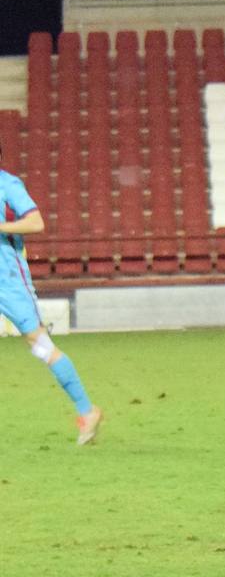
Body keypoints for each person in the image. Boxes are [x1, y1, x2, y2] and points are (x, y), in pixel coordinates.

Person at [0, 143, 103, 445]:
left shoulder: (8, 184)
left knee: (41, 346)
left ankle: (87, 411)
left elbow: (36, 222)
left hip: (9, 282)